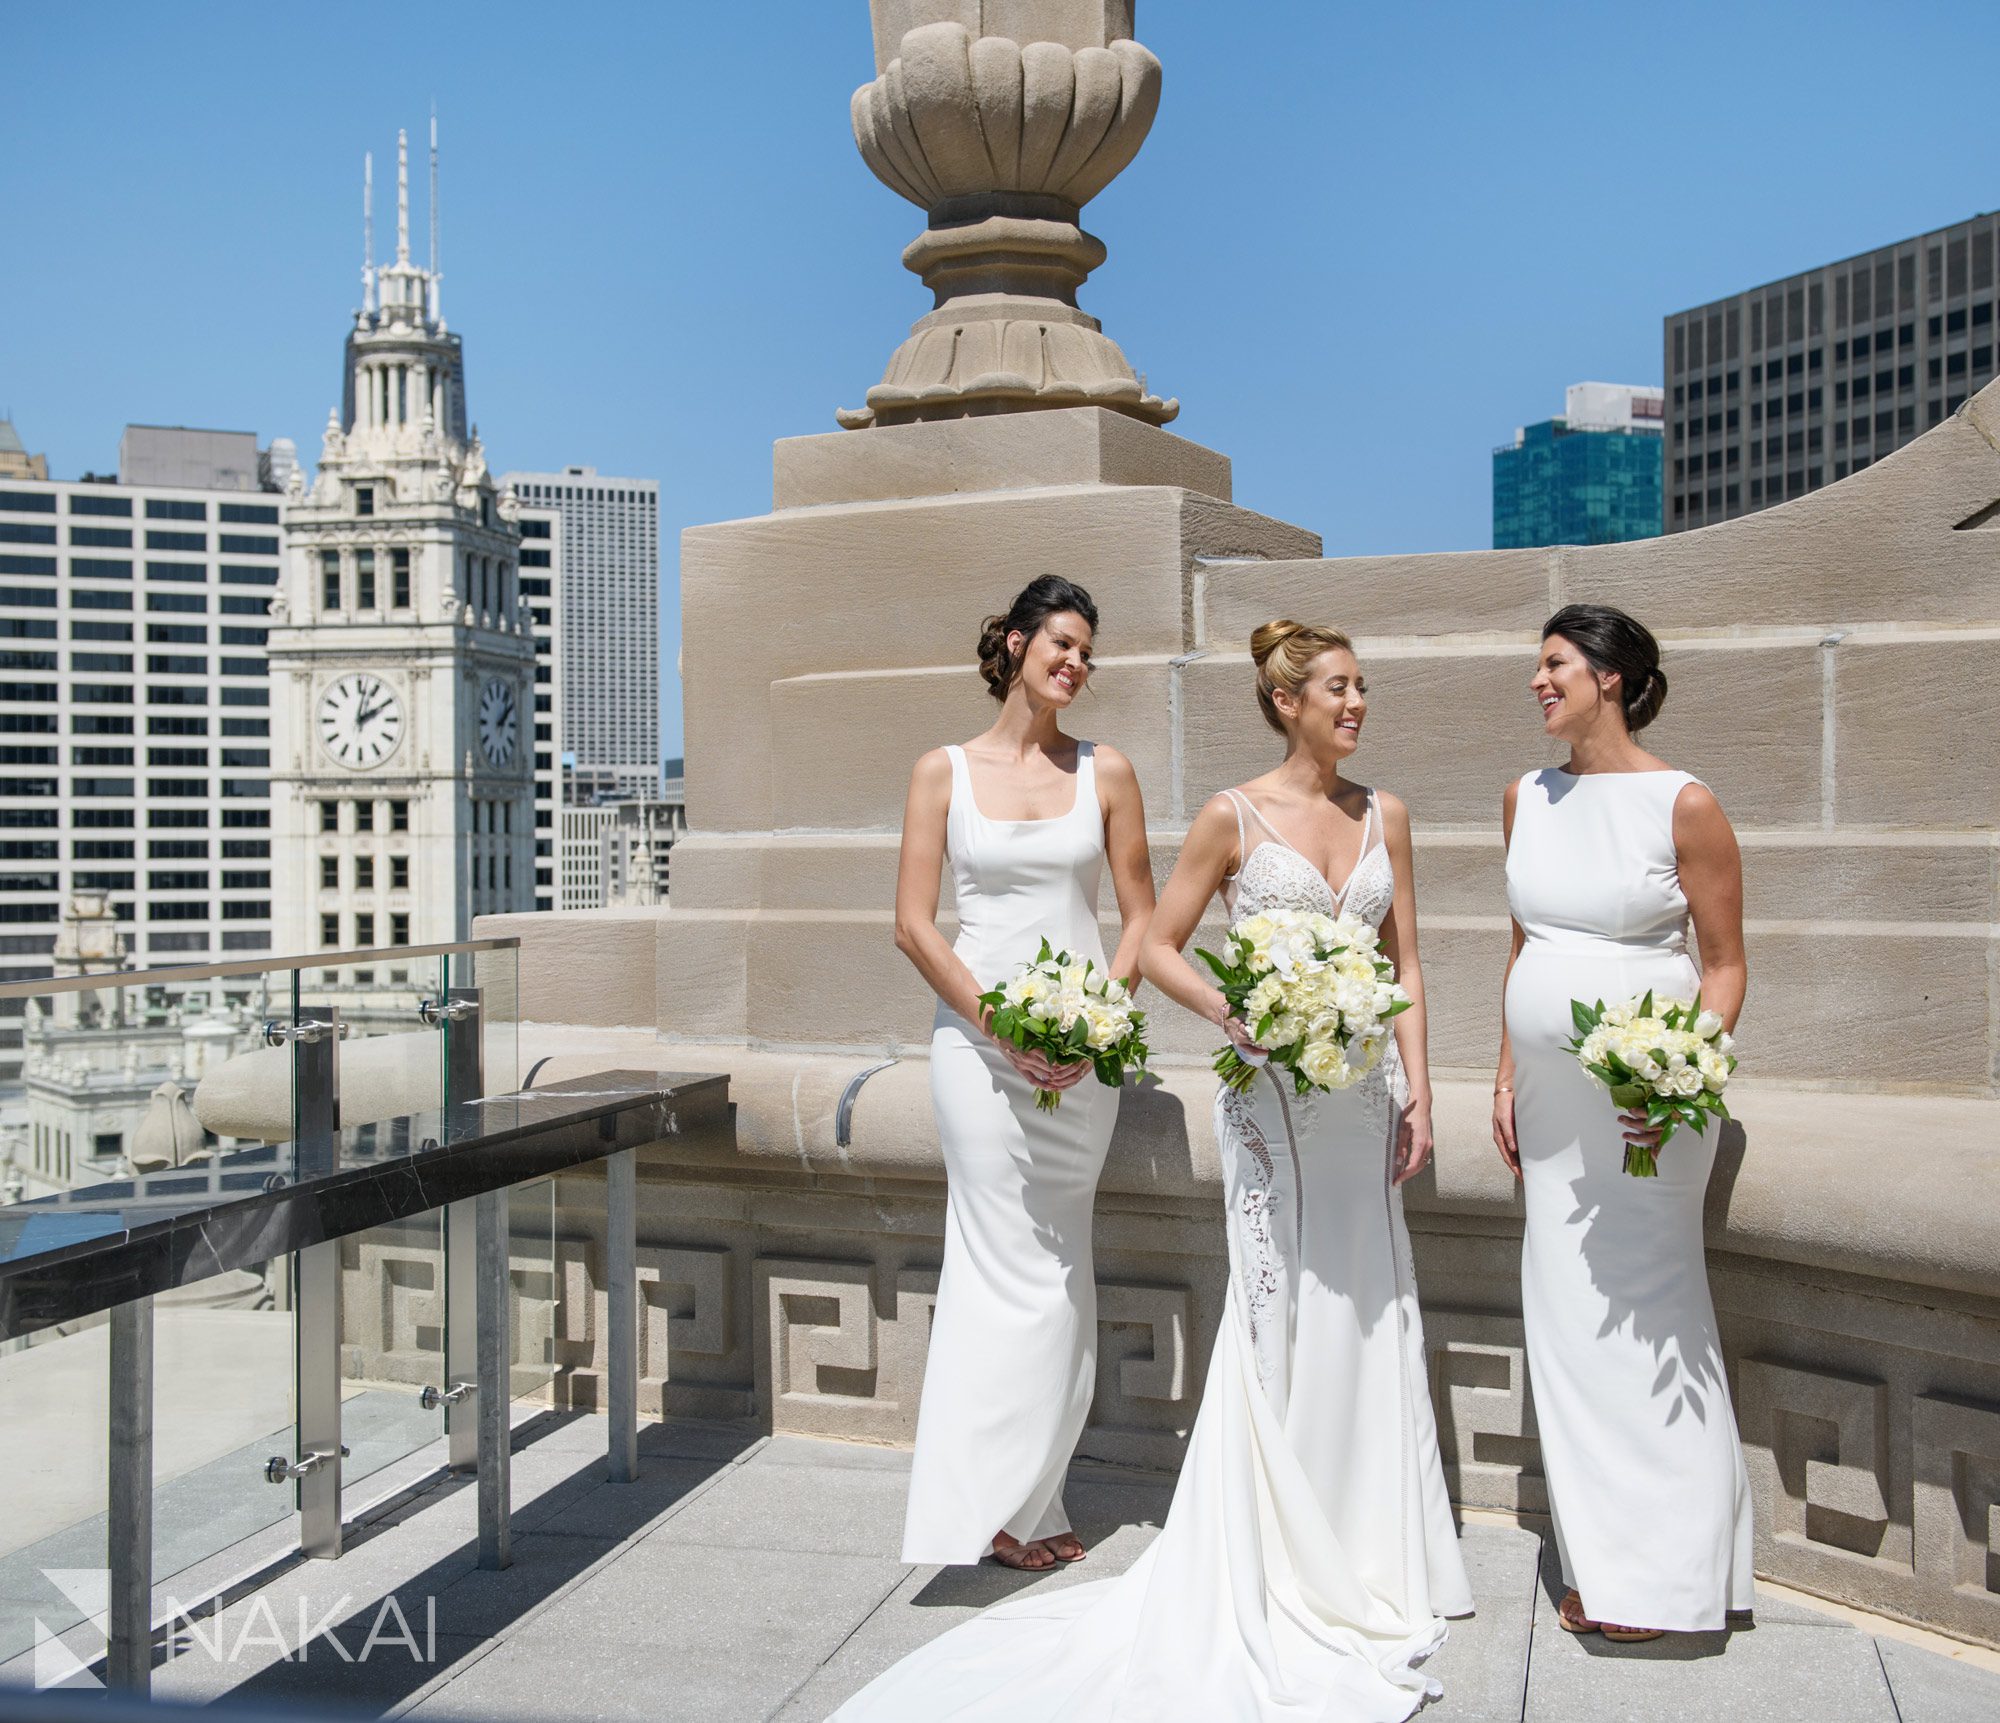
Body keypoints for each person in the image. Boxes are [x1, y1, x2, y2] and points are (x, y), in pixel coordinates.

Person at [839, 619, 1470, 1722]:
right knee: (1260, 1306)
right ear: (1286, 699)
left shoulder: (1388, 816)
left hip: (1355, 1097)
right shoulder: (1227, 813)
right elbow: (1163, 939)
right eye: (1337, 686)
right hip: (1260, 1096)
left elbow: (1402, 961)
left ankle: (1372, 1536)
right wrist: (1242, 1015)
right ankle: (1021, 1505)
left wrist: (1418, 1090)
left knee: (1372, 1303)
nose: (1357, 701)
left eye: (1362, 685)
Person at [1492, 602, 1754, 1641]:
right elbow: (1522, 947)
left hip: (1648, 1103)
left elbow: (1725, 965)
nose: (1536, 681)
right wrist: (1506, 1072)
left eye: (1553, 664)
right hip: (1551, 1112)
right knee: (1565, 1321)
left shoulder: (1683, 803)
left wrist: (1673, 1078)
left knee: (1644, 1312)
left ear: (1608, 675)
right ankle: (1603, 1559)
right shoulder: (1525, 796)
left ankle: (1667, 1576)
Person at [892, 574, 1156, 1572]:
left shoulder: (1108, 773)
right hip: (975, 1047)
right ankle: (987, 1508)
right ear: (1010, 642)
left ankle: (1032, 1492)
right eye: (1060, 643)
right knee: (990, 1265)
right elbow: (914, 924)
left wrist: (1098, 1023)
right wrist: (998, 1023)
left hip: (1081, 1054)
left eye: (1087, 652)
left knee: (1054, 1271)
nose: (1075, 664)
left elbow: (1140, 920)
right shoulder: (940, 772)